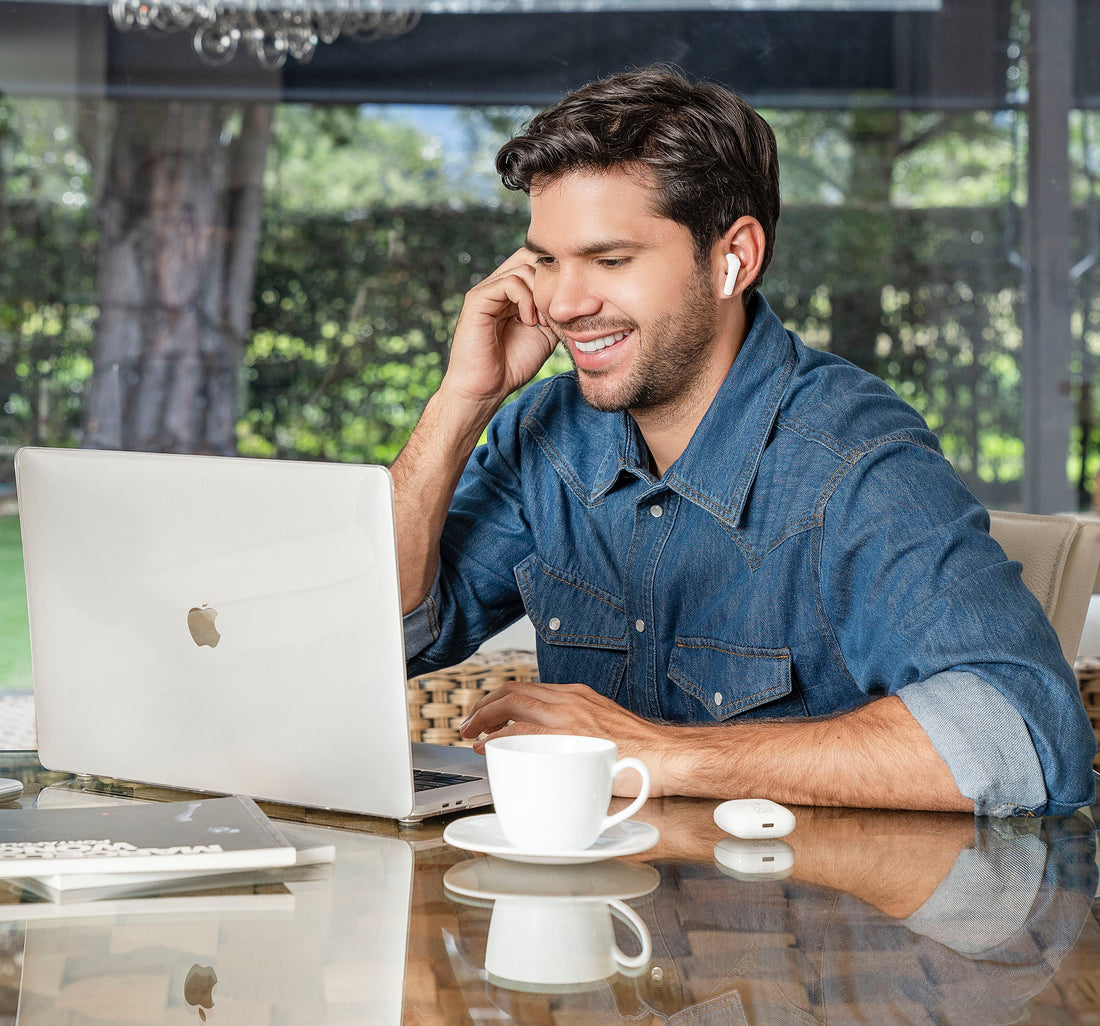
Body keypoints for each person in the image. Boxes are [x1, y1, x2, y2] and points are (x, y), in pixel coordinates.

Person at [392, 66, 1097, 818]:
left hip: (819, 920)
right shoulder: (546, 432)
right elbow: (386, 639)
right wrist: (461, 404)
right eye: (548, 260)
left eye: (609, 260)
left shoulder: (854, 459)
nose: (565, 304)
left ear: (735, 258)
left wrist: (655, 755)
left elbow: (1025, 736)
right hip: (600, 916)